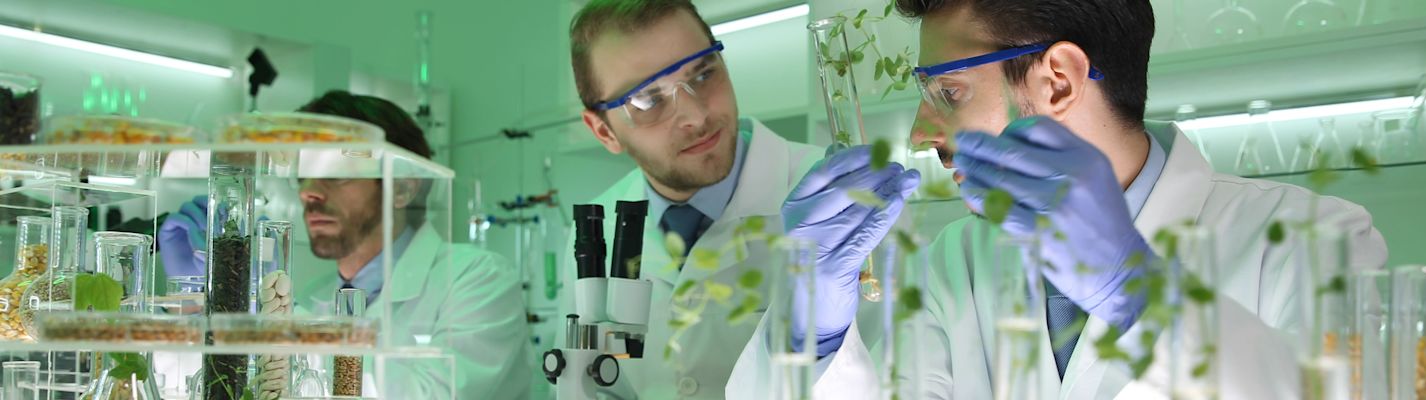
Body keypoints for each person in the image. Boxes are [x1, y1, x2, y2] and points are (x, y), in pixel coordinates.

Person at [728, 0, 1388, 398]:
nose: (924, 135)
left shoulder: (1313, 239)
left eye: (948, 93)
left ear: (1060, 78)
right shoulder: (954, 260)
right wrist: (809, 333)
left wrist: (1143, 297)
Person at [554, 0, 915, 398]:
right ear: (603, 131)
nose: (694, 114)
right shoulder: (595, 228)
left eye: (704, 72)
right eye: (648, 100)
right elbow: (586, 385)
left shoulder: (845, 204)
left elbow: (904, 379)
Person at [158, 91, 532, 399]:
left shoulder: (478, 280)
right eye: (304, 176)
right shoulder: (316, 296)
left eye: (334, 174)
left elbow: (427, 394)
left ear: (403, 186)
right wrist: (203, 310)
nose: (309, 193)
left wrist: (274, 313)